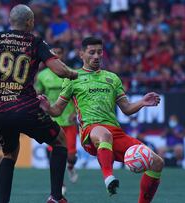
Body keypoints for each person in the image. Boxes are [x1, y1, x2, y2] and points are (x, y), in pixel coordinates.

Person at [0, 4, 78, 203]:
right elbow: (60, 70)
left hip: (0, 111)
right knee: (60, 141)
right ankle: (56, 196)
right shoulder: (34, 41)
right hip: (26, 108)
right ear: (30, 22)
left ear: (10, 21)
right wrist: (75, 73)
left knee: (9, 155)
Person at [39, 37, 164, 203]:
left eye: (99, 52)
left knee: (157, 162)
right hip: (91, 132)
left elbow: (126, 109)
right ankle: (108, 177)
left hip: (115, 133)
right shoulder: (72, 78)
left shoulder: (112, 78)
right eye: (91, 52)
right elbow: (57, 110)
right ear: (81, 54)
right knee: (104, 134)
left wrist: (142, 102)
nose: (96, 56)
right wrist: (47, 107)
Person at [35, 44, 79, 187]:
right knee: (54, 153)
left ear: (64, 54)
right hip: (52, 119)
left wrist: (75, 112)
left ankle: (71, 167)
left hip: (68, 120)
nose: (58, 55)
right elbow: (37, 94)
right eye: (55, 52)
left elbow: (77, 96)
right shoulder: (42, 76)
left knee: (71, 157)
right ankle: (60, 184)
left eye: (60, 52)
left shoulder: (70, 73)